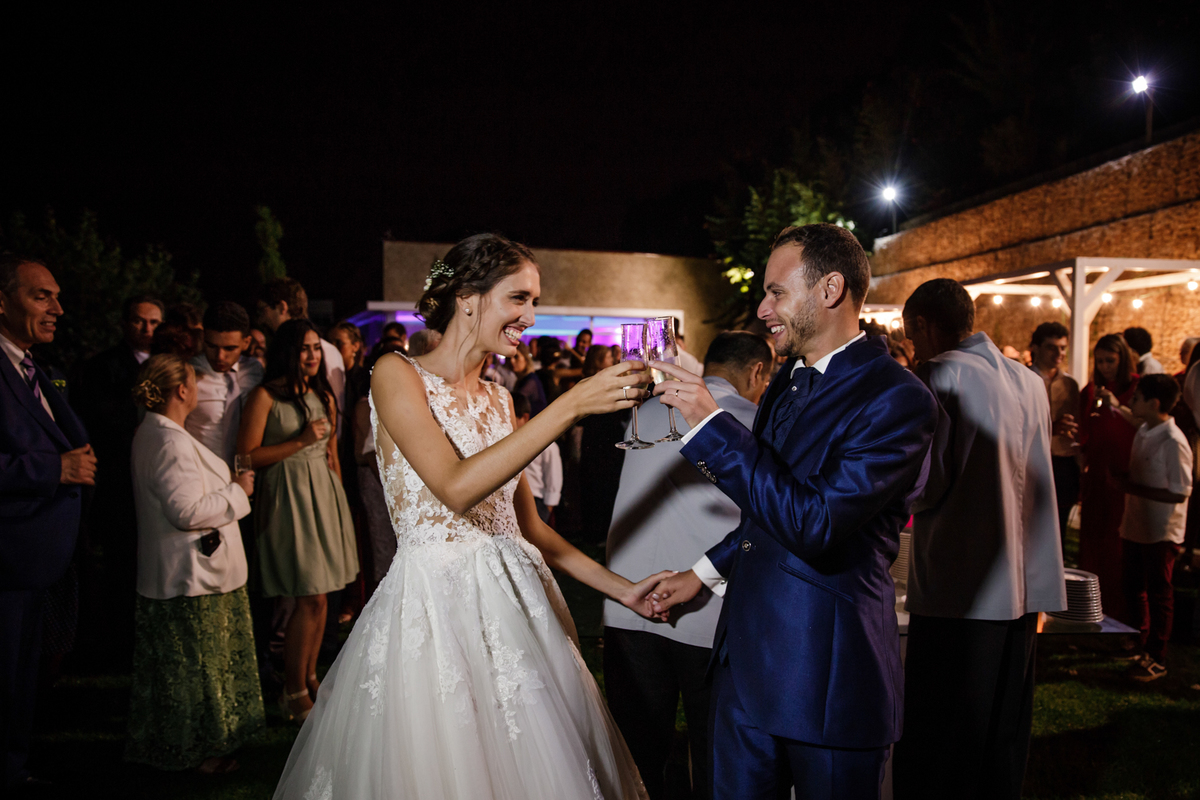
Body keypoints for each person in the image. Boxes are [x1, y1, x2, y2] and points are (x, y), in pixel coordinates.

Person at [272, 233, 668, 800]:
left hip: (516, 610)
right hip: (435, 611)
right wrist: (571, 405)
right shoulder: (395, 374)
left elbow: (528, 528)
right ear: (467, 298)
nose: (531, 316)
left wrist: (622, 590)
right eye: (519, 298)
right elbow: (455, 489)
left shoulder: (501, 400)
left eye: (534, 301)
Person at [648, 224, 937, 800]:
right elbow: (770, 505)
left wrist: (711, 426)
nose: (762, 309)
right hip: (742, 670)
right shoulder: (787, 381)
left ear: (830, 289)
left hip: (827, 676)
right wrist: (702, 573)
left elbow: (814, 522)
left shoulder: (898, 399)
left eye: (777, 292)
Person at [892, 279, 1066, 800]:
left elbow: (926, 485)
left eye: (911, 335)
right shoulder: (1028, 379)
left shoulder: (939, 375)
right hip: (1020, 587)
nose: (914, 346)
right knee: (1001, 734)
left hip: (959, 587)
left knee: (941, 740)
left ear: (922, 325)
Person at [603, 330, 773, 800]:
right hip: (706, 612)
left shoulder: (649, 411)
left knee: (635, 755)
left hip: (628, 598)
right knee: (713, 752)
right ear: (758, 371)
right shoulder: (752, 423)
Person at [126, 354, 265, 772]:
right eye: (194, 383)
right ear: (182, 391)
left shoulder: (155, 432)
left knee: (184, 670)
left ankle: (180, 747)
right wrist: (239, 492)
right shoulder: (168, 441)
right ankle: (203, 752)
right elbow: (184, 511)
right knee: (198, 670)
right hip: (192, 576)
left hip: (182, 572)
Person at [0, 255, 93, 792]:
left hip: (40, 554)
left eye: (57, 296)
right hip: (9, 554)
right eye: (41, 296)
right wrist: (53, 468)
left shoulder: (31, 367)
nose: (58, 308)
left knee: (23, 679)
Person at [238, 319, 359, 723]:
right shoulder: (264, 397)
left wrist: (339, 499)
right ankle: (292, 692)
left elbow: (333, 454)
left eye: (315, 348)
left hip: (324, 495)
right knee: (306, 596)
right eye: (304, 348)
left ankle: (309, 678)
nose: (311, 356)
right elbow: (244, 458)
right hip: (286, 496)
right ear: (288, 352)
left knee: (323, 596)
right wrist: (299, 442)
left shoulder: (321, 394)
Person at [72, 293, 165, 666]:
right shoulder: (102, 367)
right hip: (120, 479)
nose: (147, 329)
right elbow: (99, 417)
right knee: (122, 562)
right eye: (140, 321)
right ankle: (119, 642)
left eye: (154, 322)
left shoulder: (169, 364)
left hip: (162, 477)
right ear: (125, 323)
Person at [1106, 374, 1192, 680]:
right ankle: (1138, 639)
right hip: (1137, 523)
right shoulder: (1145, 429)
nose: (1131, 401)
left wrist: (1131, 487)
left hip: (1161, 530)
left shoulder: (1173, 441)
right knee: (1133, 585)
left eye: (1137, 398)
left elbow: (1181, 491)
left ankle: (1157, 656)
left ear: (1154, 403)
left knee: (1159, 592)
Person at [1079, 334, 1141, 623]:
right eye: (1100, 361)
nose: (1104, 366)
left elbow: (1144, 423)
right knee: (1093, 540)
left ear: (1122, 359)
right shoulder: (1091, 390)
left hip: (1123, 473)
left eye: (1110, 360)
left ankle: (1119, 611)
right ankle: (1091, 606)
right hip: (1096, 474)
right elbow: (1084, 427)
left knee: (1117, 544)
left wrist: (1117, 405)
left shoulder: (1137, 387)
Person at [257, 278, 347, 436]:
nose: (263, 318)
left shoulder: (325, 352)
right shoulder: (328, 350)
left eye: (264, 309)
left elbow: (332, 415)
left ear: (282, 307)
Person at [186, 301, 264, 466]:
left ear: (246, 342)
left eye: (230, 348)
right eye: (212, 346)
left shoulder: (255, 371)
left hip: (249, 476)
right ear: (202, 337)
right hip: (202, 473)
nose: (220, 356)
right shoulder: (188, 375)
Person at [1029, 321, 1082, 543]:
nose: (1059, 353)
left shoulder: (1070, 384)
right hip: (1032, 460)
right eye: (1052, 347)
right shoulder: (1024, 379)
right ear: (1035, 348)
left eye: (1062, 347)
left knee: (1058, 526)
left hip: (1063, 460)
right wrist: (1051, 427)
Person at [513, 393, 562, 523]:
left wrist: (547, 507)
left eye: (511, 418)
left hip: (536, 501)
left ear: (524, 417)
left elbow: (553, 476)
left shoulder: (544, 443)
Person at [509, 342, 548, 416]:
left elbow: (515, 403)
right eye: (509, 358)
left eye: (516, 357)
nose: (511, 361)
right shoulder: (523, 379)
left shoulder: (530, 381)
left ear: (525, 358)